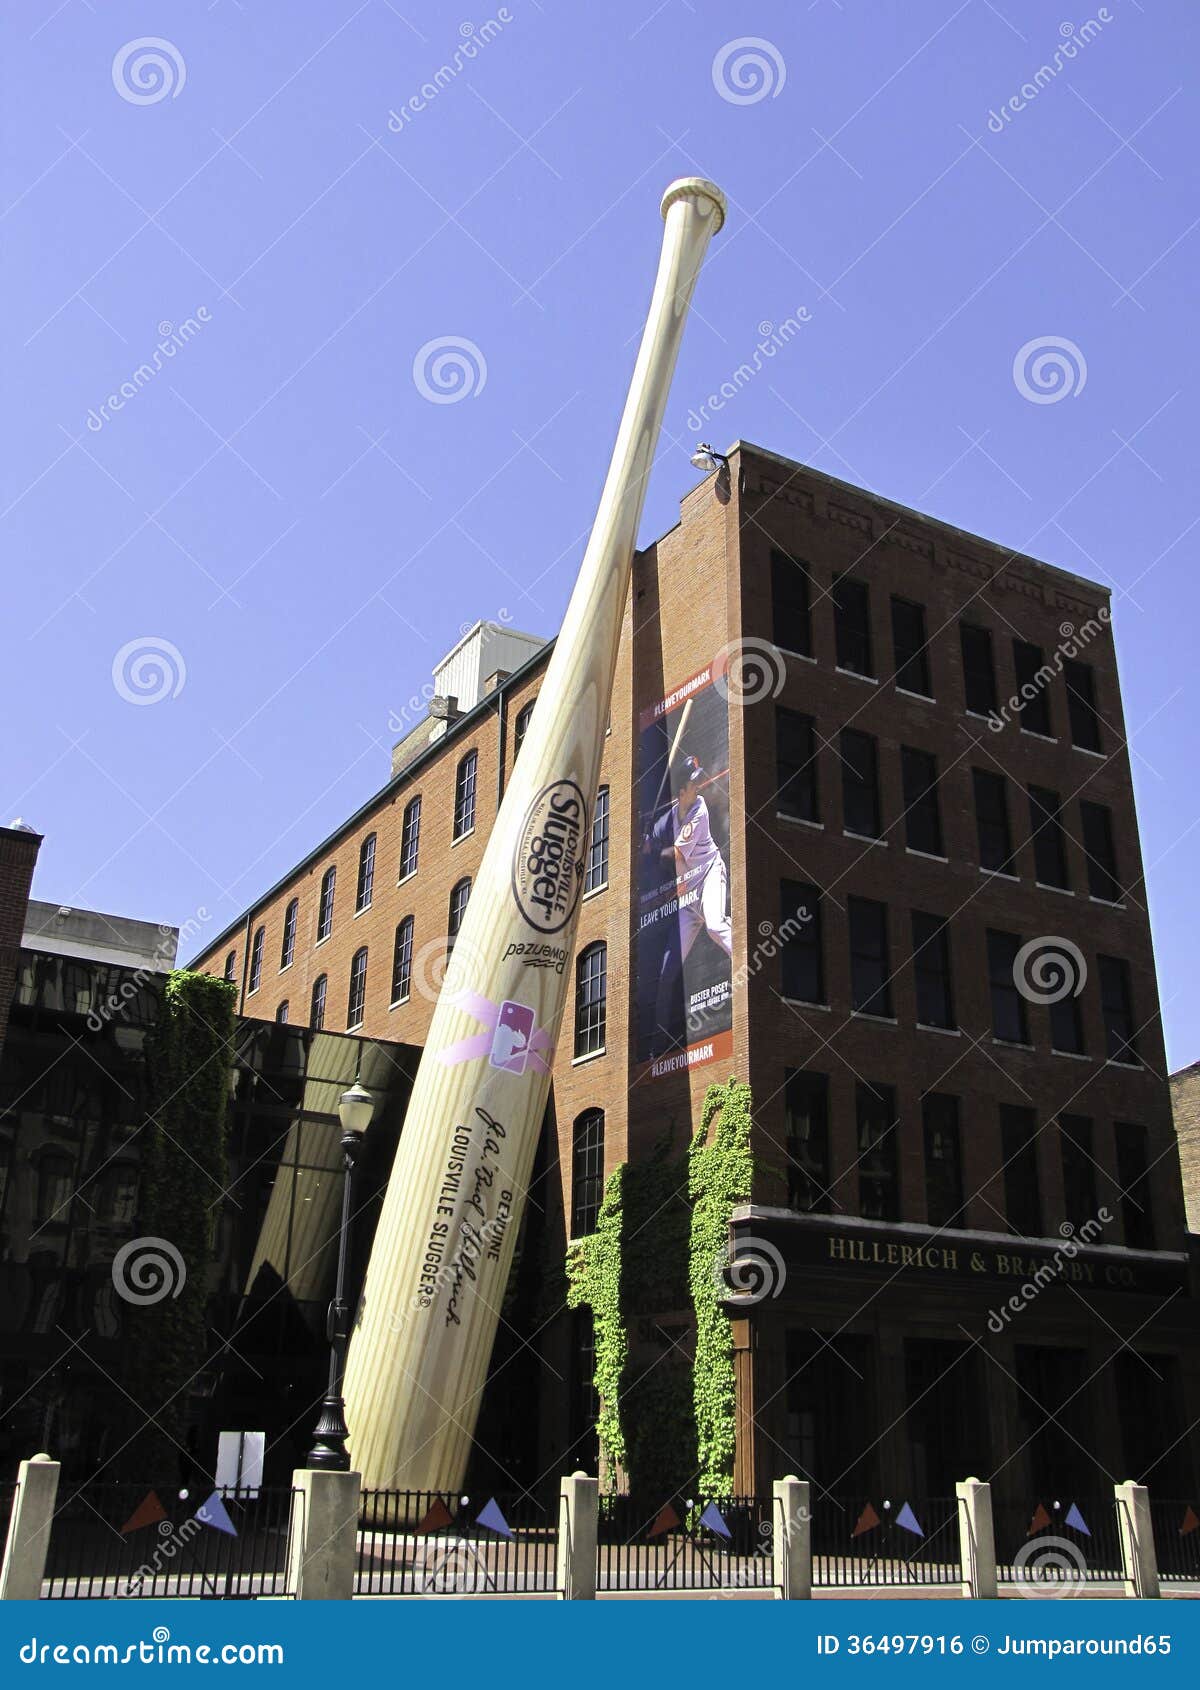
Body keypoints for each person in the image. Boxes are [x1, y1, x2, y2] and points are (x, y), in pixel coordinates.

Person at [643, 754, 732, 1055]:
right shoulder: (669, 817)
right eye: (693, 784)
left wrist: (653, 850)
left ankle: (752, 975)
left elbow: (674, 856)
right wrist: (646, 839)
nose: (698, 787)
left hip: (708, 876)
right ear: (680, 791)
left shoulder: (700, 809)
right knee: (667, 972)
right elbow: (652, 839)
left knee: (718, 927)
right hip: (687, 898)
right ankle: (657, 1047)